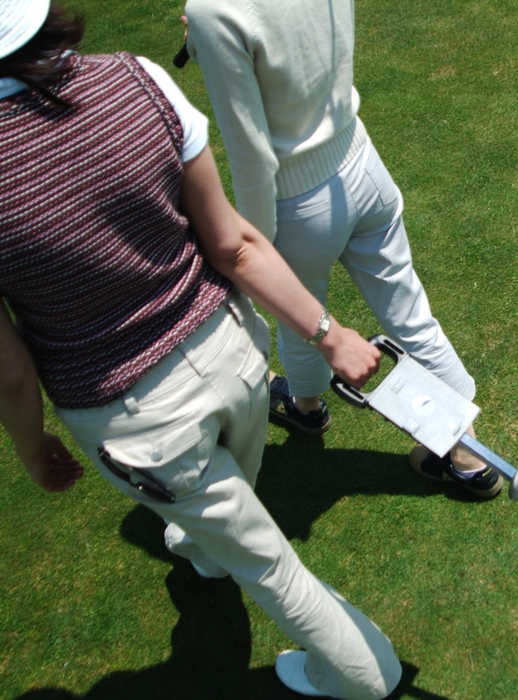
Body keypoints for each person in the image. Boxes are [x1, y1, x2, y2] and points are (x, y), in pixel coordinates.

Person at [0, 1, 401, 697]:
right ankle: (205, 554)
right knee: (230, 502)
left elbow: (9, 371)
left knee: (273, 569)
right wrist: (328, 334)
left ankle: (369, 678)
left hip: (137, 420)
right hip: (236, 354)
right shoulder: (139, 78)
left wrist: (32, 451)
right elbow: (235, 244)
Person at [181, 0, 502, 498]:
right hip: (364, 164)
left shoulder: (211, 11)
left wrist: (256, 247)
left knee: (299, 316)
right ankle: (469, 457)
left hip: (296, 201)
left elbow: (249, 150)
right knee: (410, 313)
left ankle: (308, 409)